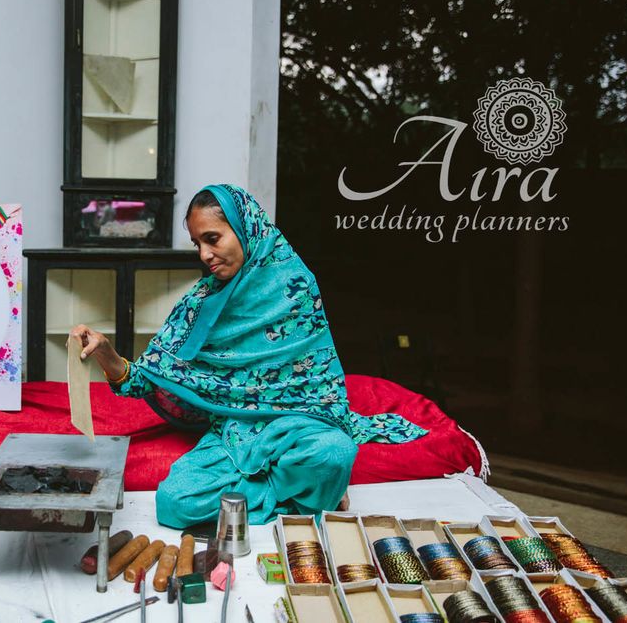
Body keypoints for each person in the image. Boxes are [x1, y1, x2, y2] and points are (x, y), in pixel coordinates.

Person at [71, 184, 426, 527]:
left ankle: (281, 494)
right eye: (197, 244)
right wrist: (106, 352)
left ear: (246, 229)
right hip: (236, 428)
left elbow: (320, 385)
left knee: (334, 453)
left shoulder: (295, 286)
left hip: (301, 423)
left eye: (212, 239)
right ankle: (299, 499)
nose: (204, 255)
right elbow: (145, 378)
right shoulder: (200, 303)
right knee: (175, 503)